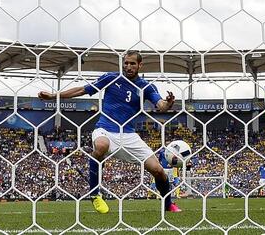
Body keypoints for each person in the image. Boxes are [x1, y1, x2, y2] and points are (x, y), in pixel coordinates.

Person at [38, 51, 180, 214]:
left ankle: (168, 204)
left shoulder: (146, 86)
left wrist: (168, 104)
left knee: (158, 170)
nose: (128, 66)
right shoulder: (111, 78)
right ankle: (95, 195)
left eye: (132, 63)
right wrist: (54, 95)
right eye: (126, 63)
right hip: (105, 129)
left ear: (140, 65)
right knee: (101, 146)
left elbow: (160, 105)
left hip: (129, 135)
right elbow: (82, 90)